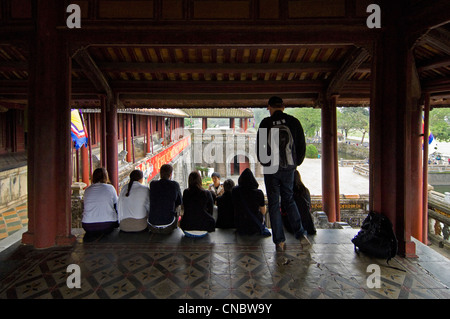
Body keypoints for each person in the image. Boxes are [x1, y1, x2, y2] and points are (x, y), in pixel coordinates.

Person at [256, 96, 310, 251]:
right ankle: (300, 234)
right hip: (288, 169)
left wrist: (266, 163)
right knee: (289, 199)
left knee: (273, 204)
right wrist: (295, 164)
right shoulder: (294, 122)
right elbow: (301, 146)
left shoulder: (265, 123)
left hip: (271, 169)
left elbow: (260, 149)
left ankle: (279, 241)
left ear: (269, 107)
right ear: (283, 107)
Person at [232, 168, 270, 237]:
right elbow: (263, 211)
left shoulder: (235, 191)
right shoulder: (258, 193)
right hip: (255, 225)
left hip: (240, 225)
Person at [82, 167, 119, 236]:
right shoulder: (110, 188)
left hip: (87, 225)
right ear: (106, 177)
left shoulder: (87, 190)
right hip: (107, 224)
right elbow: (117, 204)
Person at [148, 164, 182, 234]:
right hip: (169, 225)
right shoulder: (175, 185)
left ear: (160, 174)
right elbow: (180, 202)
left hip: (152, 225)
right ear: (171, 174)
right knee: (178, 207)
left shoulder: (153, 184)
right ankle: (177, 226)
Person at [180, 171, 215, 236]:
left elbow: (185, 208)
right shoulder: (206, 193)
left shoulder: (186, 192)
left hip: (187, 228)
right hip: (204, 228)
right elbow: (211, 211)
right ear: (200, 180)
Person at [281, 170, 316, 235]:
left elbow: (283, 210)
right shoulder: (305, 190)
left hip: (290, 226)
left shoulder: (287, 192)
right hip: (306, 224)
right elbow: (309, 208)